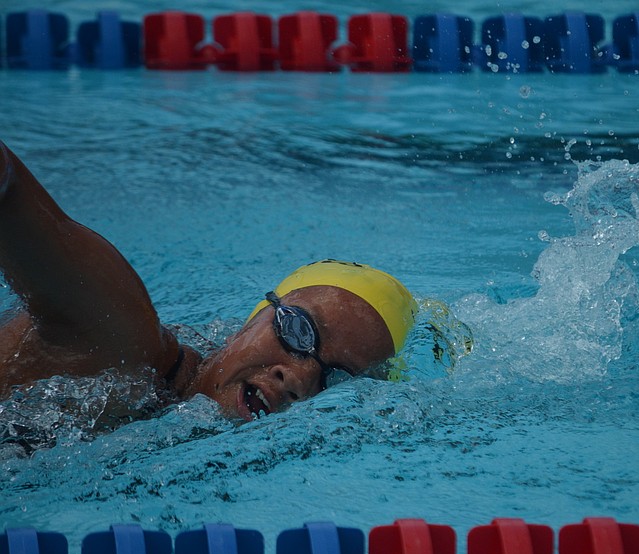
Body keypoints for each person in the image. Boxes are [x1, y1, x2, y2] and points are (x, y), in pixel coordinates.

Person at [0, 140, 418, 421]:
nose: (297, 379)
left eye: (337, 379)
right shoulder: (119, 337)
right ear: (254, 318)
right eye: (298, 331)